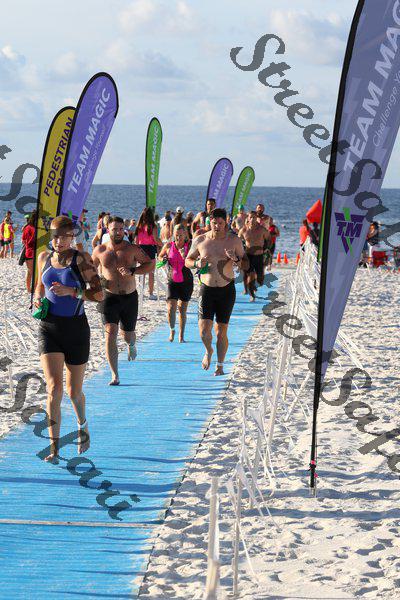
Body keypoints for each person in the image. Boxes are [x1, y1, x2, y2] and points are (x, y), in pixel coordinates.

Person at [33, 215, 104, 462]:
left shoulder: (81, 259)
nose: (59, 241)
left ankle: (82, 426)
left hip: (76, 329)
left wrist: (72, 291)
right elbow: (39, 286)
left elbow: (99, 294)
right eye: (55, 236)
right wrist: (37, 298)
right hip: (49, 327)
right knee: (54, 388)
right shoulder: (43, 258)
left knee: (74, 392)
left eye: (64, 237)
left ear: (72, 237)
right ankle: (54, 448)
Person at [93, 216, 153, 385]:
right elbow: (89, 269)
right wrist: (95, 283)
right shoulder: (99, 250)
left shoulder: (132, 249)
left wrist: (133, 271)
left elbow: (149, 264)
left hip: (129, 297)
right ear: (108, 229)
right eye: (115, 229)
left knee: (127, 335)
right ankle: (115, 375)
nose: (118, 232)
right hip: (108, 297)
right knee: (110, 332)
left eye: (121, 229)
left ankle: (131, 344)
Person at [185, 208, 246, 376]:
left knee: (221, 331)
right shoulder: (200, 240)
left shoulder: (234, 241)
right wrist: (197, 264)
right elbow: (187, 260)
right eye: (214, 223)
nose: (217, 226)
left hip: (226, 290)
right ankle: (208, 350)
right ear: (209, 222)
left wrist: (235, 259)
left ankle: (220, 365)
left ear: (226, 223)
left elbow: (245, 264)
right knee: (204, 331)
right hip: (207, 289)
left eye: (220, 223)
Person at [159, 224, 194, 343]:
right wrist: (163, 259)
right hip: (172, 280)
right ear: (173, 234)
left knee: (182, 309)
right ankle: (172, 330)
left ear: (185, 234)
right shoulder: (169, 246)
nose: (178, 237)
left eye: (181, 235)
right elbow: (160, 256)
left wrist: (186, 256)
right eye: (176, 235)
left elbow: (195, 260)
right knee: (170, 309)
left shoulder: (190, 246)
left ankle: (181, 335)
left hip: (186, 281)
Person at [238, 211, 271, 300]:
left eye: (254, 217)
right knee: (250, 275)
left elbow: (269, 239)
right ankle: (252, 294)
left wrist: (266, 249)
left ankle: (254, 285)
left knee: (260, 279)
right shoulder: (243, 230)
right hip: (248, 256)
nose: (252, 219)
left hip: (259, 256)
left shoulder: (262, 229)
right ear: (247, 218)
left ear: (257, 218)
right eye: (250, 217)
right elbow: (237, 241)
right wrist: (239, 252)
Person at [134, 207, 162, 299]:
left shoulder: (139, 226)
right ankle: (150, 293)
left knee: (142, 271)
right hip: (150, 248)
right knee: (151, 272)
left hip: (141, 249)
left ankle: (141, 292)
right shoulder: (153, 226)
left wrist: (137, 250)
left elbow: (136, 241)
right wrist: (162, 244)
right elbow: (155, 239)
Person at [21, 211, 37, 293]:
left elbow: (23, 240)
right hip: (34, 252)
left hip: (28, 251)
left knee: (29, 271)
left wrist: (27, 244)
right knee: (34, 273)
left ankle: (28, 289)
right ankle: (33, 289)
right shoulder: (36, 228)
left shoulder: (26, 228)